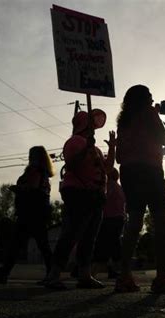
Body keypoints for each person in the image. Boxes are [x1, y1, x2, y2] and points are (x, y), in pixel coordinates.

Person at [115, 85, 165, 294]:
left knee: (134, 223)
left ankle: (124, 276)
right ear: (144, 99)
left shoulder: (124, 121)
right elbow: (164, 140)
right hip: (150, 171)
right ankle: (161, 277)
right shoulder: (149, 113)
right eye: (149, 96)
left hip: (128, 173)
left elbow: (119, 157)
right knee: (161, 223)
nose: (152, 99)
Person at [44, 111, 116, 290]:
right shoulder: (74, 142)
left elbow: (107, 168)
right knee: (71, 234)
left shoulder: (96, 148)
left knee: (89, 237)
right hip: (78, 193)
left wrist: (112, 147)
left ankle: (85, 275)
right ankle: (54, 274)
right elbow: (72, 163)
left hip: (96, 195)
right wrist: (86, 148)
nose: (93, 127)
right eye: (90, 123)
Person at [0, 146, 55, 284]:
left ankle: (3, 273)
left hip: (29, 212)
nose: (29, 157)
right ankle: (52, 274)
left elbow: (32, 187)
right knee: (40, 245)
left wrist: (17, 188)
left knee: (18, 244)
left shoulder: (34, 170)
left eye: (31, 155)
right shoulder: (46, 173)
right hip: (40, 211)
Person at [92, 167, 126, 278]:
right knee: (113, 243)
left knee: (103, 243)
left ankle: (94, 269)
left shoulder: (109, 185)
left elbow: (104, 199)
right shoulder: (120, 188)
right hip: (119, 218)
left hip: (108, 218)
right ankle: (113, 268)